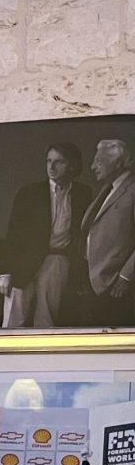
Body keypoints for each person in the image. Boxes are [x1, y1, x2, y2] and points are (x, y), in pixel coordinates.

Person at [0, 143, 91, 327]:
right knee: (12, 320)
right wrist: (5, 272)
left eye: (59, 162)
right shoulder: (29, 192)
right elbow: (13, 233)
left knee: (47, 320)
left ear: (72, 165)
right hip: (24, 261)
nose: (51, 167)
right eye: (49, 161)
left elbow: (84, 233)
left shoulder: (83, 194)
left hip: (58, 261)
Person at [80, 138, 135, 327]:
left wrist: (126, 276)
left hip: (116, 285)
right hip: (95, 282)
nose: (92, 167)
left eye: (98, 161)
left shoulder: (132, 189)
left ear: (117, 162)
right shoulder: (108, 188)